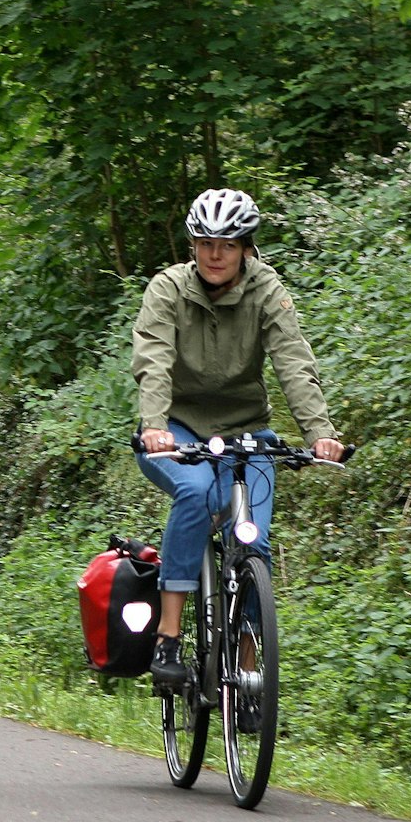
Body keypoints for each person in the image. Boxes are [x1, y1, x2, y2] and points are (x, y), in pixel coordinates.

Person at [132, 189, 344, 720]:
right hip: (177, 428)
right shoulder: (168, 289)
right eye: (205, 243)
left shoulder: (266, 290)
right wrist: (156, 426)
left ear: (246, 246)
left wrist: (319, 432)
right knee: (199, 494)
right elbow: (153, 360)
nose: (215, 254)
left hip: (248, 431)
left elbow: (294, 362)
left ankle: (248, 672)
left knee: (253, 540)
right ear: (193, 245)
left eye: (226, 243)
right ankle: (169, 637)